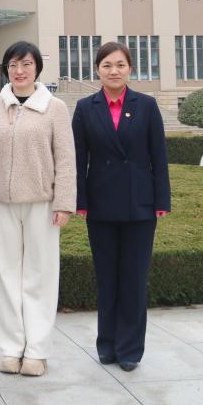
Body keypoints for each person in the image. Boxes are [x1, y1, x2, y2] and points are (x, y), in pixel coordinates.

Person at [0, 40, 75, 377]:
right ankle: (11, 348)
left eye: (26, 64)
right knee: (5, 277)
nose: (19, 71)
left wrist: (64, 203)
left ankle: (37, 351)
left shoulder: (55, 108)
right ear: (6, 69)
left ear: (37, 69)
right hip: (2, 203)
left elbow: (66, 159)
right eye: (13, 65)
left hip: (42, 204)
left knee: (39, 277)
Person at [71, 41, 170, 372]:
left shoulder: (147, 105)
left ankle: (129, 349)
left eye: (120, 65)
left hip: (140, 205)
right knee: (107, 278)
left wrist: (162, 200)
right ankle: (107, 344)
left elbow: (159, 156)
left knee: (134, 279)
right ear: (97, 70)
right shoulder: (85, 108)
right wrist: (80, 201)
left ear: (130, 69)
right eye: (107, 65)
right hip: (100, 205)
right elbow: (78, 160)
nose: (114, 71)